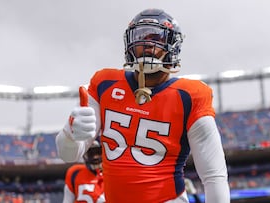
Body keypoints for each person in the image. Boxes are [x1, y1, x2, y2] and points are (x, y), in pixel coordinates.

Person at [56, 8, 230, 203]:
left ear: (172, 46)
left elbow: (214, 175)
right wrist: (70, 133)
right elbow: (68, 154)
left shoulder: (190, 96)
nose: (148, 44)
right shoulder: (105, 83)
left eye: (156, 37)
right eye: (141, 36)